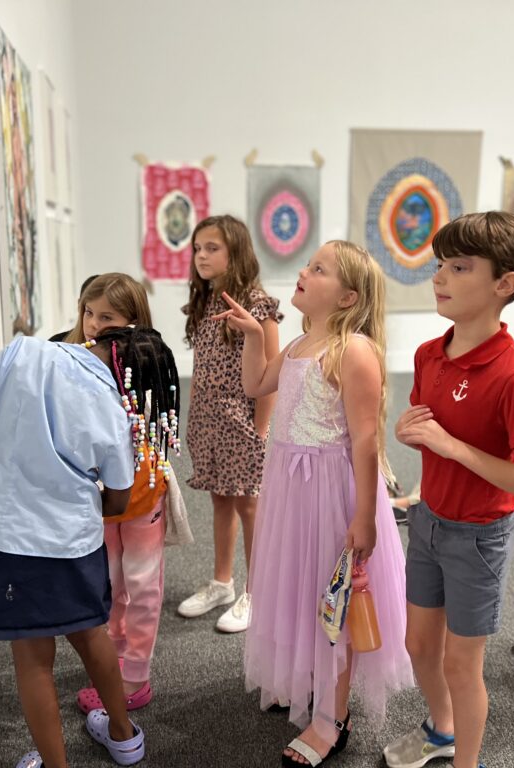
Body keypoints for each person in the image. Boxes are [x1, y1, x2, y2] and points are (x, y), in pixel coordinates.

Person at [216, 240, 413, 766]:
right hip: (290, 487)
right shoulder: (303, 344)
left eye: (318, 269)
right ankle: (309, 683)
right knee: (298, 587)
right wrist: (257, 336)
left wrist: (365, 518)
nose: (303, 272)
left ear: (348, 296)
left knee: (337, 603)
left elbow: (366, 441)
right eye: (309, 264)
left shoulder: (352, 351)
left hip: (332, 493)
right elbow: (258, 383)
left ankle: (331, 718)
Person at [384, 212, 514, 768]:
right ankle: (442, 731)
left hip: (479, 536)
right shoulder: (430, 353)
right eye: (439, 265)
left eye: (459, 267)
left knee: (462, 665)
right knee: (417, 647)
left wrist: (454, 448)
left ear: (504, 284)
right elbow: (434, 431)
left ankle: (468, 761)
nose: (440, 277)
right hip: (429, 520)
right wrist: (416, 437)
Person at [0, 327, 160, 767]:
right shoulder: (113, 407)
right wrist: (71, 501)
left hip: (8, 536)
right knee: (91, 632)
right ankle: (124, 739)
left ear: (100, 338)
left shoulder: (22, 352)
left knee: (33, 660)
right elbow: (119, 497)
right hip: (74, 540)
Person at [58, 276, 192, 714]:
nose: (93, 324)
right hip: (95, 497)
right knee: (108, 583)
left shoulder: (144, 364)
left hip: (139, 496)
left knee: (142, 585)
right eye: (88, 312)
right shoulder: (70, 357)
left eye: (107, 316)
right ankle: (112, 659)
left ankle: (135, 676)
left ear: (132, 321)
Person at [178, 215, 282, 633]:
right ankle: (223, 581)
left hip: (243, 421)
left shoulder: (258, 305)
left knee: (249, 504)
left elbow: (273, 373)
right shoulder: (204, 299)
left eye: (212, 248)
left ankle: (258, 591)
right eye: (197, 248)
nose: (202, 256)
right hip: (207, 418)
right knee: (220, 499)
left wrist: (260, 429)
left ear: (234, 252)